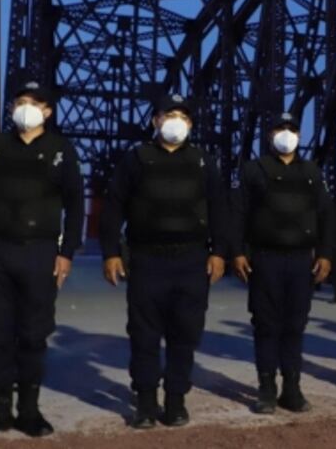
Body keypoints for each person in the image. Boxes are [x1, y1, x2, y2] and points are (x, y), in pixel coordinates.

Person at [0, 81, 84, 440]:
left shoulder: (62, 149)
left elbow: (76, 205)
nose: (25, 107)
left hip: (40, 251)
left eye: (34, 102)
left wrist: (66, 252)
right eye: (20, 101)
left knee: (33, 334)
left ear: (48, 111)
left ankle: (29, 410)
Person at [99, 93, 229, 428]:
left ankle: (175, 400)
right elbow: (114, 205)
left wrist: (219, 253)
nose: (177, 121)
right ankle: (145, 401)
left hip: (191, 259)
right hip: (146, 259)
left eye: (184, 116)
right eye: (170, 114)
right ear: (156, 120)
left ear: (190, 124)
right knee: (144, 334)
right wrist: (111, 252)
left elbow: (219, 209)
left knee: (185, 333)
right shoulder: (137, 159)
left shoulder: (203, 161)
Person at [232, 112, 333, 414]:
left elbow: (327, 216)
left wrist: (326, 254)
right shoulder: (253, 170)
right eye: (280, 128)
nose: (286, 133)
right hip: (266, 258)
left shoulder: (313, 172)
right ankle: (266, 389)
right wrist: (237, 252)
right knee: (266, 325)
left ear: (299, 136)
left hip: (301, 259)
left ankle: (292, 388)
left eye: (291, 129)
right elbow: (237, 213)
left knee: (295, 325)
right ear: (269, 135)